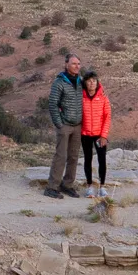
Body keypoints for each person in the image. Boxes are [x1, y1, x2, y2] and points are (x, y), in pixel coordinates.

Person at [44, 52, 86, 197]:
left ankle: (67, 184)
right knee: (61, 156)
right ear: (66, 64)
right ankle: (52, 187)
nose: (77, 66)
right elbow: (53, 104)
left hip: (78, 125)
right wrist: (59, 123)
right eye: (74, 63)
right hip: (65, 125)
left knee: (73, 156)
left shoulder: (81, 82)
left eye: (78, 64)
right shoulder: (59, 82)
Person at [79, 70, 112, 196]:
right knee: (88, 159)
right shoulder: (81, 97)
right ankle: (89, 187)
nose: (92, 83)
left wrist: (104, 135)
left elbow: (107, 117)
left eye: (94, 80)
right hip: (85, 134)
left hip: (99, 136)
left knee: (102, 159)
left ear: (97, 82)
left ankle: (102, 186)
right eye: (89, 81)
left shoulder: (103, 98)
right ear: (85, 83)